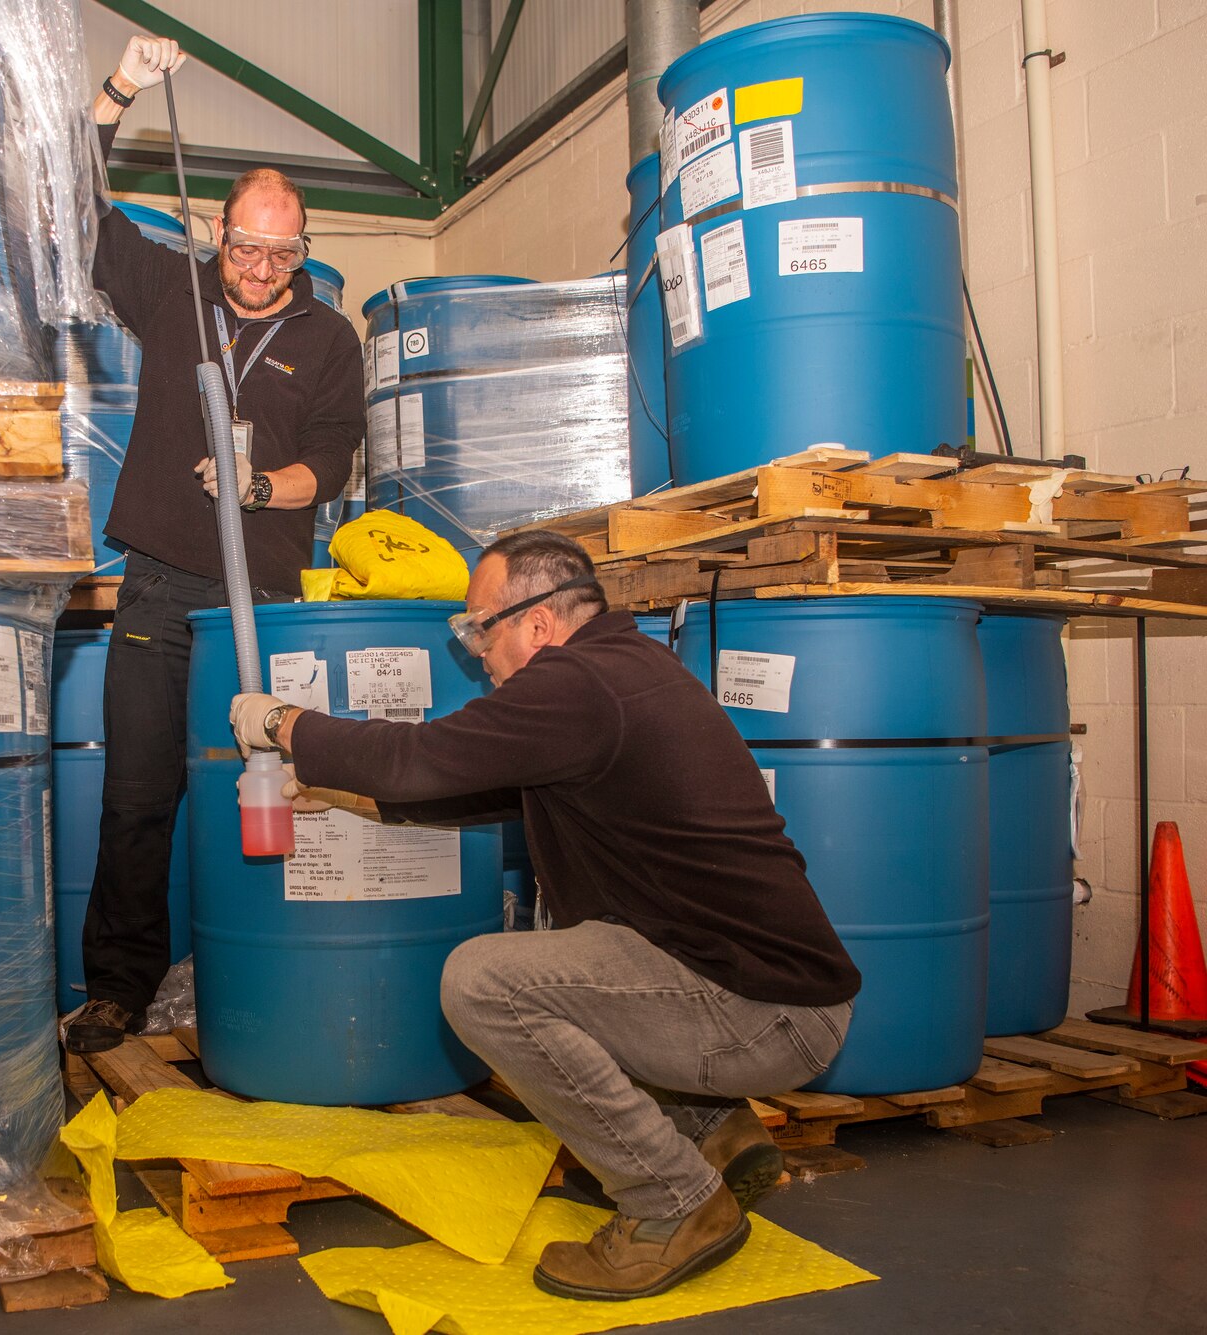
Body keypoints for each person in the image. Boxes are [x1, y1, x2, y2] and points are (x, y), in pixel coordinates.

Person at [227, 529, 861, 1301]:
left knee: (485, 980)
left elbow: (421, 756)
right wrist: (328, 788)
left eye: (477, 629)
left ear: (536, 622)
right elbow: (455, 792)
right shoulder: (617, 674)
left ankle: (672, 1204)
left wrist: (282, 723)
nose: (477, 654)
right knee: (571, 952)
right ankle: (714, 1132)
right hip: (757, 988)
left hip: (765, 1012)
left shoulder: (578, 682)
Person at [66, 36, 365, 1054]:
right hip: (158, 591)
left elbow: (332, 457)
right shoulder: (171, 293)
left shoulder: (327, 340)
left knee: (273, 784)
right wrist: (117, 92)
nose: (260, 270)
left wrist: (261, 484)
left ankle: (274, 971)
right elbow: (70, 201)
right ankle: (118, 987)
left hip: (265, 600)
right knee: (139, 797)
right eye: (244, 248)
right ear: (216, 231)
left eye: (282, 255)